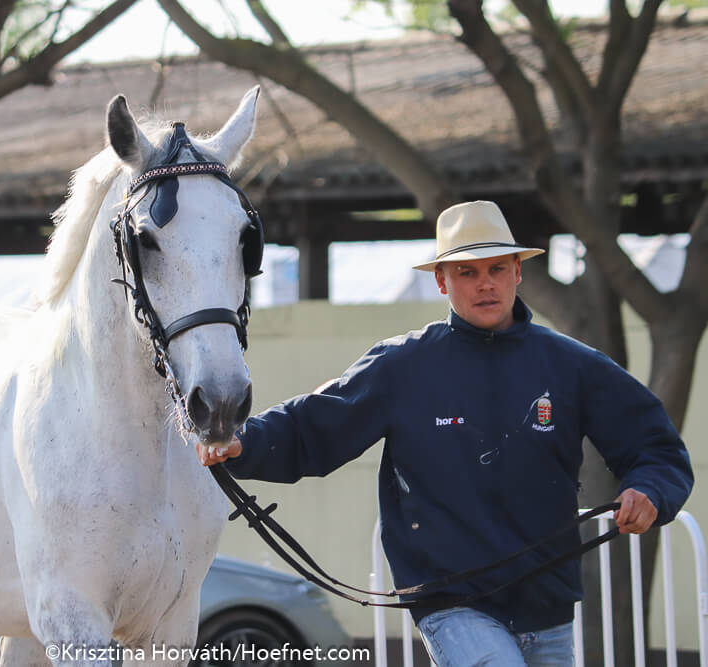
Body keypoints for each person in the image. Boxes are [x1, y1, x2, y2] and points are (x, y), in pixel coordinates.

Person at [197, 200, 694, 666]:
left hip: (550, 605)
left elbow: (656, 447)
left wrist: (650, 490)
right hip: (452, 604)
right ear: (441, 280)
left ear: (518, 271)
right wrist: (244, 441)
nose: (485, 284)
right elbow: (316, 424)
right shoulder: (402, 365)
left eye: (497, 269)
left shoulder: (572, 365)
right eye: (467, 272)